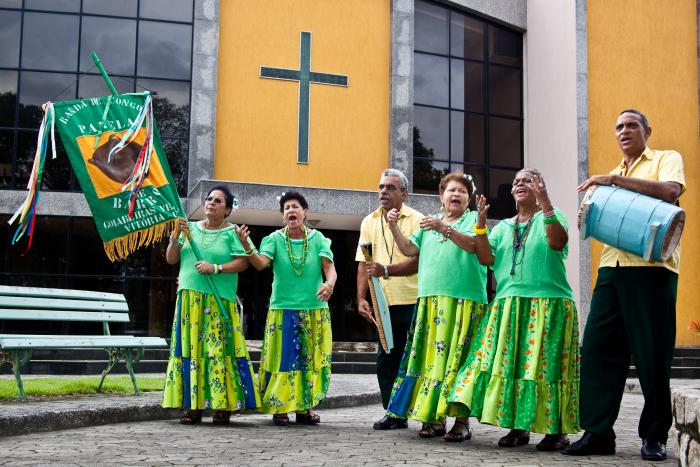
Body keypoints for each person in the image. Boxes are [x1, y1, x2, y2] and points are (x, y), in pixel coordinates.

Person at [563, 109, 685, 461]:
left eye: (631, 125)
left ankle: (654, 436)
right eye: (618, 126)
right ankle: (598, 432)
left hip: (651, 269)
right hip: (611, 269)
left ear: (648, 129)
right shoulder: (613, 173)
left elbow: (670, 192)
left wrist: (614, 182)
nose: (624, 131)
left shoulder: (664, 159)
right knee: (599, 350)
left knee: (652, 354)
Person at [448, 168, 580, 451]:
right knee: (514, 367)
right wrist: (481, 225)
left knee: (547, 369)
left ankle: (556, 431)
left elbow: (557, 242)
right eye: (516, 182)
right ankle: (518, 428)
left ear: (539, 187)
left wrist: (546, 203)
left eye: (528, 181)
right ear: (512, 192)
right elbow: (485, 258)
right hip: (509, 305)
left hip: (550, 304)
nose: (520, 184)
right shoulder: (504, 227)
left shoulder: (554, 215)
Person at [383, 172, 487, 441]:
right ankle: (435, 418)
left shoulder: (475, 220)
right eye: (451, 190)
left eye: (462, 192)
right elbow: (408, 249)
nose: (456, 195)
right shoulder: (428, 223)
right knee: (432, 363)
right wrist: (393, 226)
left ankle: (462, 422)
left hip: (465, 302)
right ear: (441, 197)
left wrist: (446, 229)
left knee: (461, 362)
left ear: (469, 199)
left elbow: (476, 247)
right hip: (431, 302)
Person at [238, 191, 337, 426]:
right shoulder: (273, 239)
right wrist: (246, 245)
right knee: (282, 361)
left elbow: (329, 268)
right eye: (286, 208)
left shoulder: (319, 239)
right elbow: (261, 264)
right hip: (283, 309)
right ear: (283, 216)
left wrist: (329, 284)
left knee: (308, 361)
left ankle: (305, 408)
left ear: (305, 212)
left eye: (295, 207)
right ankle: (279, 406)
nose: (291, 211)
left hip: (314, 309)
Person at [162, 185, 260, 424]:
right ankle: (192, 406)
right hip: (189, 301)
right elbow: (171, 259)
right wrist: (176, 237)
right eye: (209, 199)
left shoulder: (232, 233)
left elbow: (243, 263)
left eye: (218, 201)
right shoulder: (189, 228)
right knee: (191, 352)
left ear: (227, 209)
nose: (211, 203)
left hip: (218, 301)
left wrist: (215, 268)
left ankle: (222, 406)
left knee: (218, 353)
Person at [356, 168, 422, 430]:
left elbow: (417, 261)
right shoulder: (369, 221)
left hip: (413, 301)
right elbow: (364, 262)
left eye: (390, 187)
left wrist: (386, 270)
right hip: (383, 303)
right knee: (386, 361)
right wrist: (361, 298)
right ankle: (394, 413)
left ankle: (419, 413)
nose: (383, 191)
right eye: (381, 187)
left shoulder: (417, 219)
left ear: (404, 193)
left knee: (413, 360)